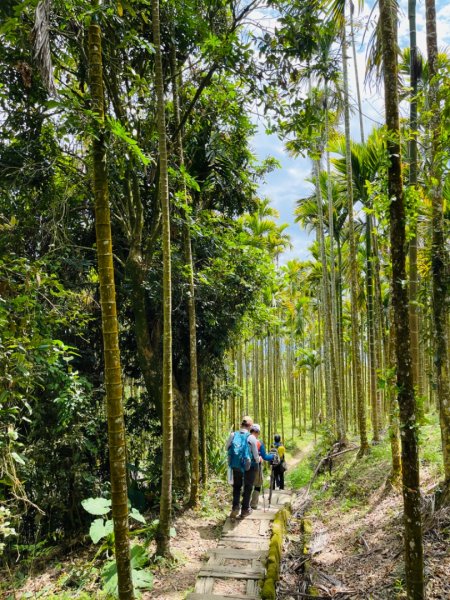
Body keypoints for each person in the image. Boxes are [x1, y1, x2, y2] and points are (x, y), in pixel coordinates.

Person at [226, 416, 260, 519]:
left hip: (236, 465)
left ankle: (235, 507)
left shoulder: (233, 434)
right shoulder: (251, 438)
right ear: (250, 426)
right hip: (248, 466)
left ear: (241, 424)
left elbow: (226, 448)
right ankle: (245, 510)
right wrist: (258, 461)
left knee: (236, 487)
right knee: (248, 487)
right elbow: (255, 456)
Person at [249, 424, 274, 510]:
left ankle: (245, 504)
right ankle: (253, 504)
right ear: (257, 432)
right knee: (258, 485)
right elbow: (265, 457)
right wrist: (273, 456)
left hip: (244, 466)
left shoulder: (245, 440)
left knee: (247, 485)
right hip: (256, 466)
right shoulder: (258, 443)